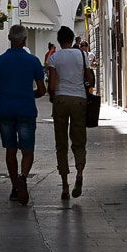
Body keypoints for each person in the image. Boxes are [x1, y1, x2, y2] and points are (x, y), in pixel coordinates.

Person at [0, 24, 47, 206]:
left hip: (5, 111)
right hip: (26, 110)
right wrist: (29, 94)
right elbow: (42, 89)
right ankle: (23, 177)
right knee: (27, 150)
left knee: (10, 150)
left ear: (9, 39)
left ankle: (15, 185)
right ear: (24, 40)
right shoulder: (33, 61)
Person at [48, 25, 94, 201]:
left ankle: (65, 186)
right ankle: (80, 173)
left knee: (61, 143)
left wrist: (53, 97)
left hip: (60, 99)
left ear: (59, 41)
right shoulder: (82, 55)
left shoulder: (55, 58)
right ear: (72, 38)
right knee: (79, 139)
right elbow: (89, 79)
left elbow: (52, 86)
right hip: (79, 100)